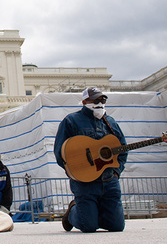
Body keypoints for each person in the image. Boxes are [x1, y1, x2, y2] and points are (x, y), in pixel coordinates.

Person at [53, 87, 127, 233]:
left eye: (103, 99)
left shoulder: (111, 122)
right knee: (88, 227)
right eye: (95, 100)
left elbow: (122, 149)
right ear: (85, 101)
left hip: (109, 180)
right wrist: (78, 172)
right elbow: (60, 152)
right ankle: (73, 211)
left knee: (117, 227)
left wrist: (117, 173)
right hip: (85, 183)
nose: (100, 103)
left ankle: (91, 213)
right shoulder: (71, 121)